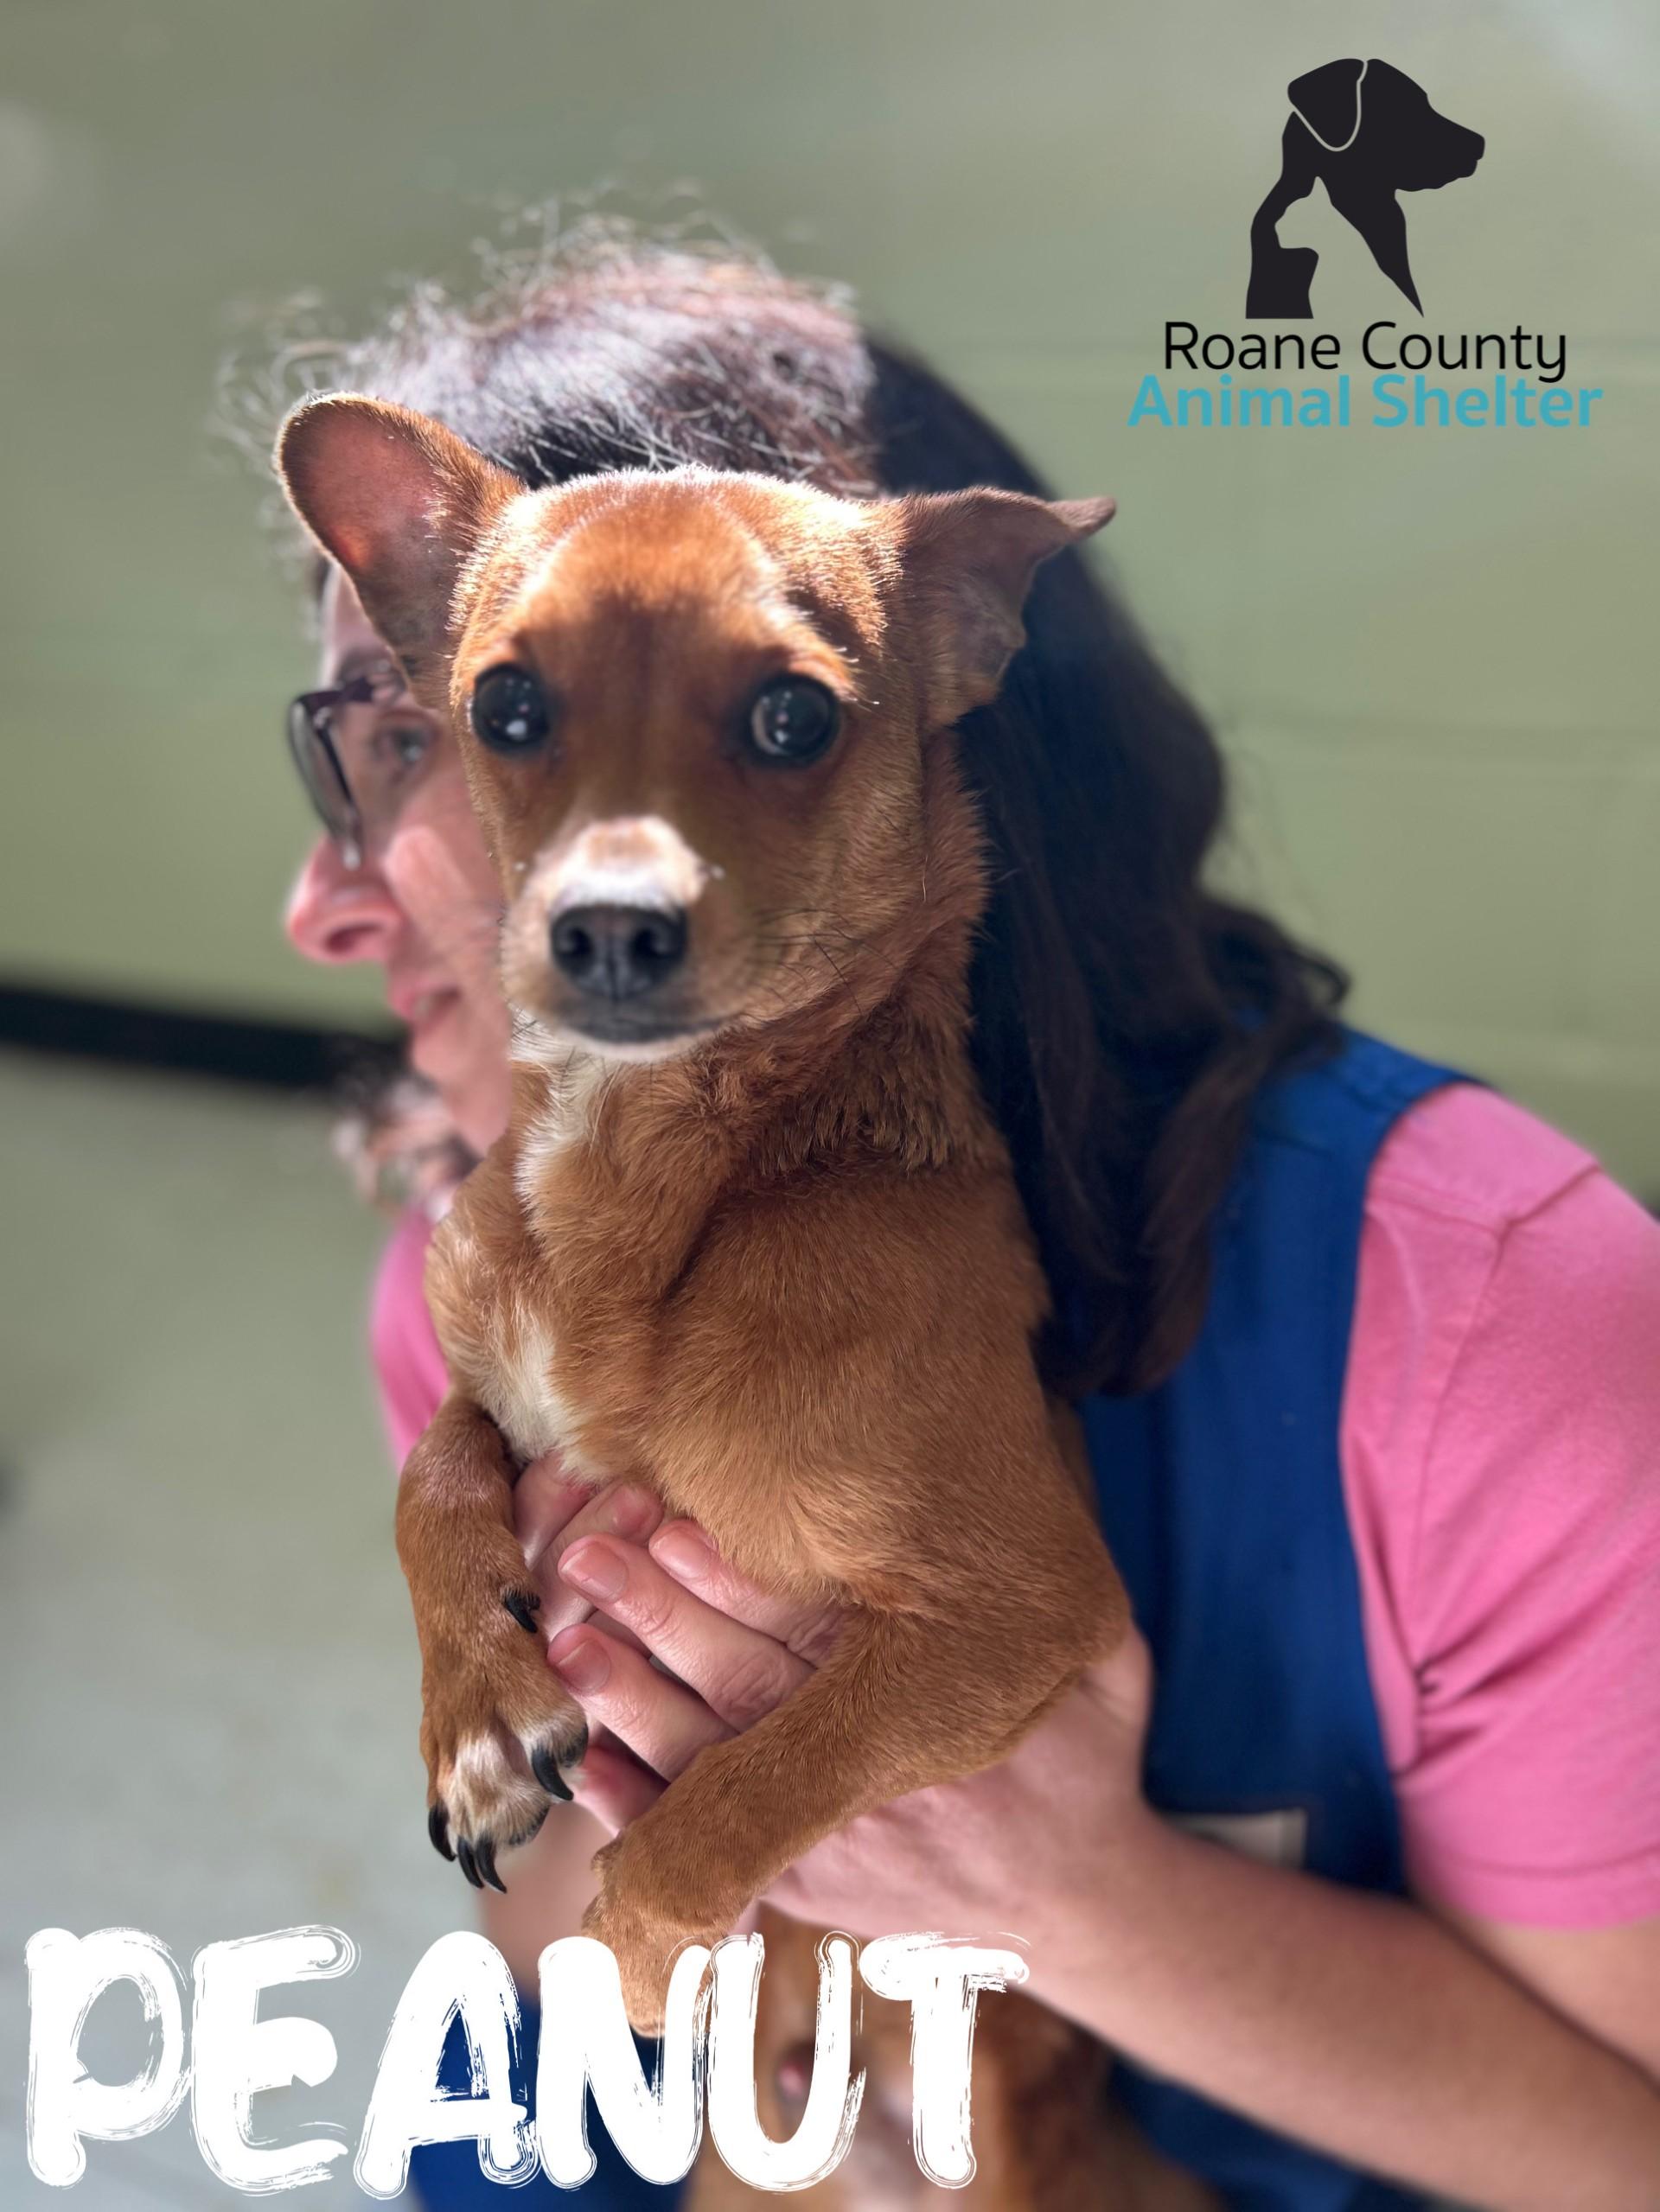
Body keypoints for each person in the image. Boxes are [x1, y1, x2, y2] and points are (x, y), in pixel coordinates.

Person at [277, 228, 1660, 2209]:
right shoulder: (475, 1284)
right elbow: (562, 1952)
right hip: (776, 2078)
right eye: (482, 716)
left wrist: (1074, 1893)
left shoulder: (1518, 1330)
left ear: (955, 695)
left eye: (771, 718)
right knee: (480, 2135)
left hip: (1285, 2145)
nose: (310, 911)